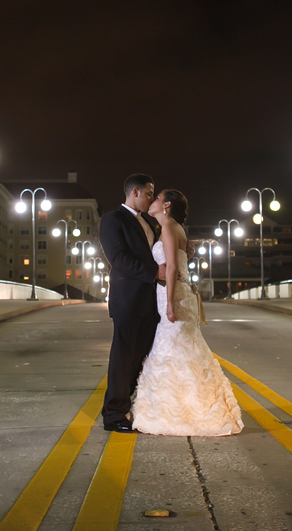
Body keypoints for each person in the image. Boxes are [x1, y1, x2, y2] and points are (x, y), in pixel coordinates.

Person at [131, 189, 243, 436]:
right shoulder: (171, 228)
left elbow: (171, 268)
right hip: (177, 294)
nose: (153, 201)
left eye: (157, 198)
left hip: (175, 296)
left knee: (174, 348)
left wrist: (170, 302)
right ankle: (181, 407)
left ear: (167, 205)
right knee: (180, 349)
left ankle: (183, 412)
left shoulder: (169, 227)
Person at [98, 174, 163, 433]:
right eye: (149, 194)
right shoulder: (113, 220)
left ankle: (132, 406)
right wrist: (154, 272)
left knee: (140, 358)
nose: (152, 199)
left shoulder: (149, 221)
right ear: (135, 192)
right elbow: (119, 259)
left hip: (150, 301)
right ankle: (113, 415)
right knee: (122, 358)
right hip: (128, 299)